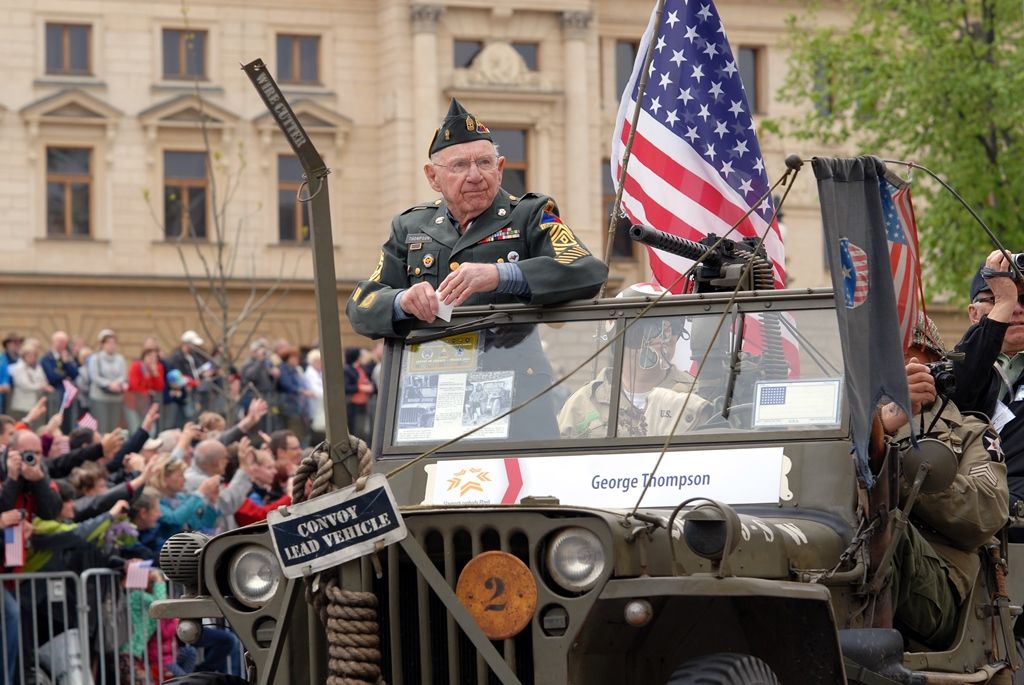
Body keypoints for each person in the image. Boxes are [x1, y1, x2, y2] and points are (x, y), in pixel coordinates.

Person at [346, 98, 607, 339]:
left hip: (515, 377)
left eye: (484, 163)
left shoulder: (532, 214)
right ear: (433, 177)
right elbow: (361, 305)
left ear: (500, 169)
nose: (475, 176)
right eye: (459, 166)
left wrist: (501, 274)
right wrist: (402, 301)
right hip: (435, 377)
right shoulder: (410, 227)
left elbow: (588, 272)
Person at [878, 314, 1008, 650]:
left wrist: (888, 455)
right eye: (896, 358)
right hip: (845, 560)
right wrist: (877, 425)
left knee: (881, 525)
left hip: (939, 584)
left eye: (921, 360)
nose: (908, 368)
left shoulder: (970, 432)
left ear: (941, 368)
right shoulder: (848, 426)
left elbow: (985, 511)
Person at [559, 284, 712, 438]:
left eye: (673, 327)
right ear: (621, 335)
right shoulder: (582, 404)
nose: (664, 337)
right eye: (648, 327)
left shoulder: (698, 396)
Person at [951, 251, 1024, 511]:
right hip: (967, 516)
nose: (1015, 308)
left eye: (1022, 298)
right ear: (973, 313)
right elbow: (958, 384)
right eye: (995, 298)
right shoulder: (957, 357)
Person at [88, 329, 127, 433]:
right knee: (101, 426)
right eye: (108, 343)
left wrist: (117, 384)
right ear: (102, 344)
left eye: (114, 343)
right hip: (100, 397)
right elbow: (94, 376)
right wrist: (109, 384)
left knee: (113, 427)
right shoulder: (95, 358)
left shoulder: (120, 359)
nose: (112, 345)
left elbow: (123, 375)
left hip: (116, 397)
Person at [8, 339, 53, 424]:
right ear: (24, 355)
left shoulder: (37, 367)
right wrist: (41, 386)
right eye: (29, 355)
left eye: (34, 356)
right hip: (22, 404)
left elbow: (43, 379)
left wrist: (44, 384)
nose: (32, 358)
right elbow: (25, 385)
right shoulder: (18, 368)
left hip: (36, 403)